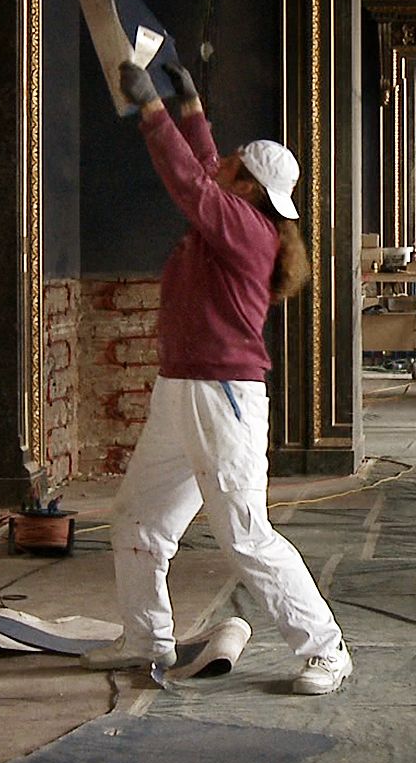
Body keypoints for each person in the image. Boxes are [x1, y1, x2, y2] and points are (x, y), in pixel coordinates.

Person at [80, 60, 352, 695]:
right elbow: (203, 169)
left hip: (222, 395)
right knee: (139, 521)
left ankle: (327, 649)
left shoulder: (242, 228)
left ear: (250, 186)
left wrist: (152, 111)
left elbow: (185, 179)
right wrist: (192, 107)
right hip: (182, 388)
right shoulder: (238, 212)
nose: (218, 163)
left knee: (244, 531)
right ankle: (147, 639)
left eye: (231, 162)